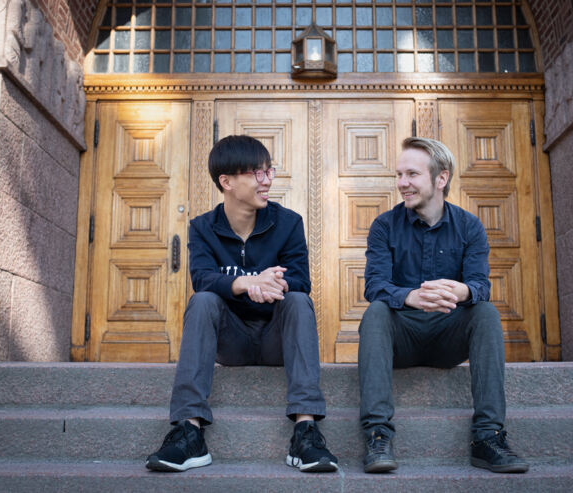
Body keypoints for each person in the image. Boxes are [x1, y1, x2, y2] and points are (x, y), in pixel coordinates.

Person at [146, 135, 338, 473]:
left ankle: (306, 431)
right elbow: (203, 278)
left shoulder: (288, 222)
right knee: (203, 300)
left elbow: (301, 280)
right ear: (227, 181)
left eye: (269, 171)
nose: (267, 180)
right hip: (231, 341)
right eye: (256, 173)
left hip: (277, 339)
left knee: (297, 299)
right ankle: (188, 431)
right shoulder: (202, 228)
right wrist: (246, 283)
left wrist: (272, 284)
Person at [358, 137, 528, 474]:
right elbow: (375, 285)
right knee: (376, 311)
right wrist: (411, 297)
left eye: (411, 174)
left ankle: (488, 437)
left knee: (485, 312)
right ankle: (377, 434)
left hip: (449, 337)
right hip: (401, 338)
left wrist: (462, 291)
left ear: (441, 178)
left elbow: (481, 285)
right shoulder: (384, 226)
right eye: (399, 174)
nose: (402, 183)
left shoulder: (470, 226)